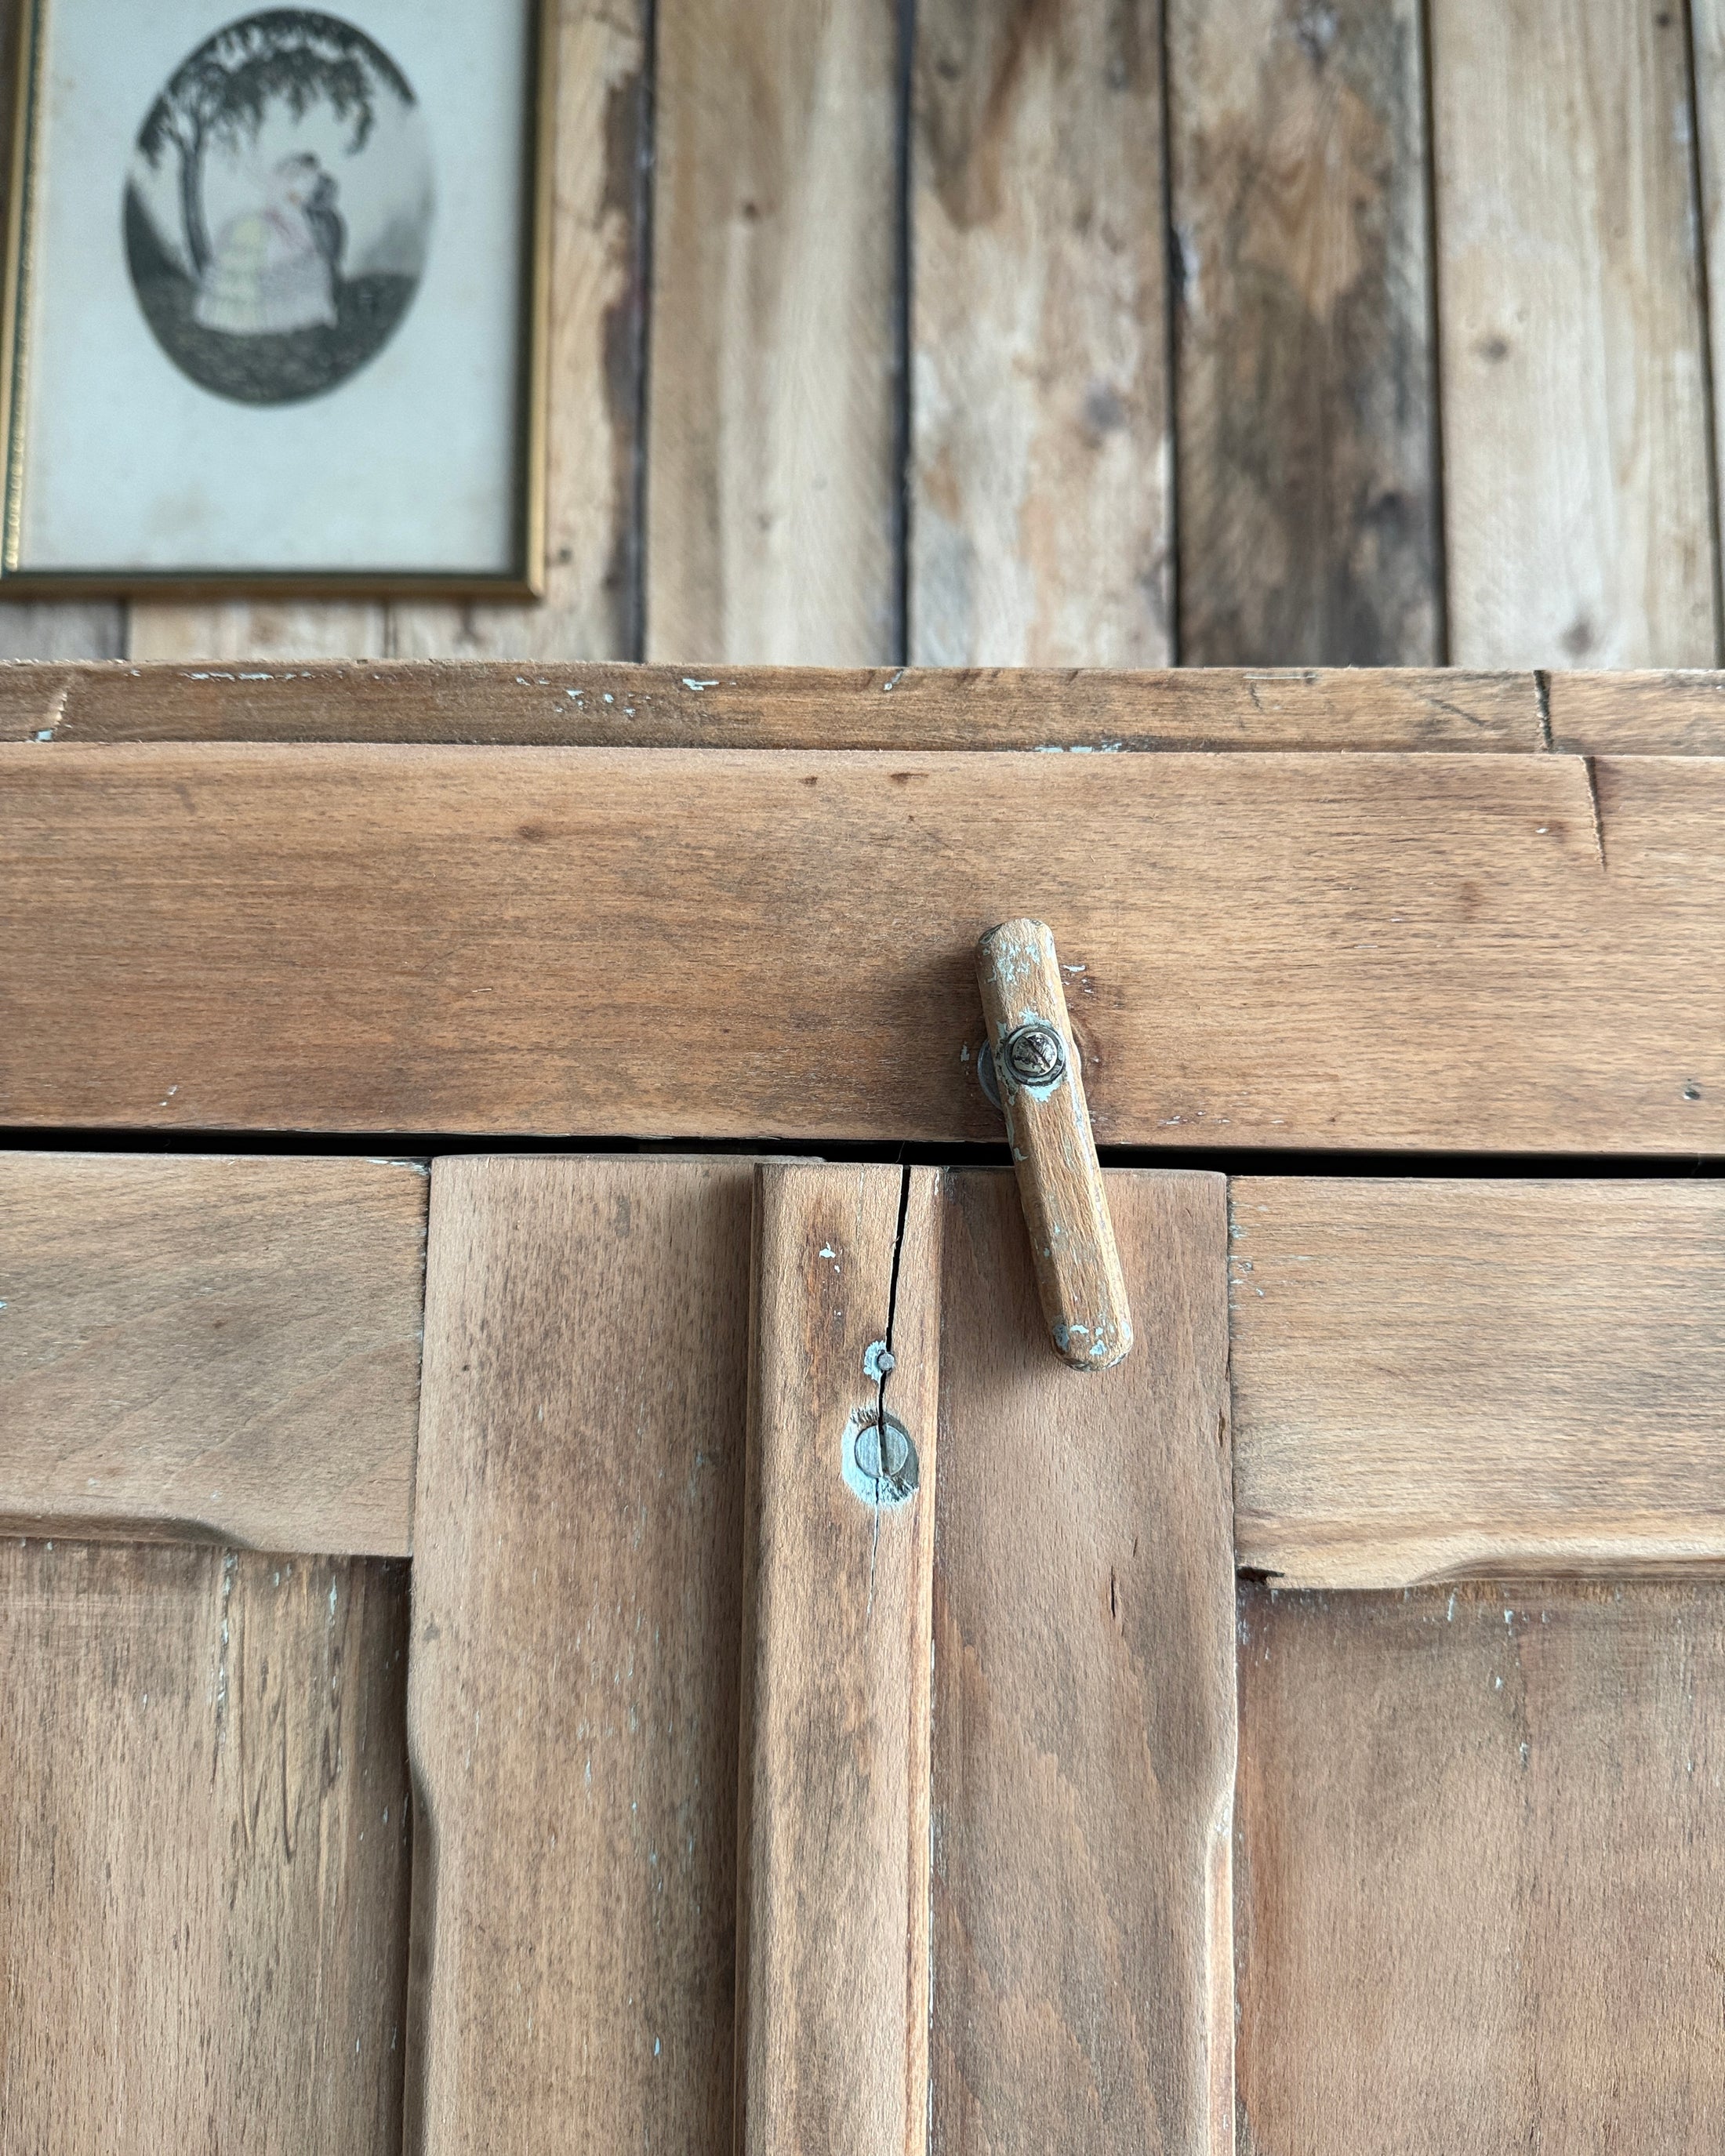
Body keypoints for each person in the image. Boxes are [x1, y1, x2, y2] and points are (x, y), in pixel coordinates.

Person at [194, 154, 338, 336]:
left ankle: (299, 312)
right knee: (251, 243)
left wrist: (295, 201)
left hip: (290, 221)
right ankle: (240, 316)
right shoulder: (282, 177)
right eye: (297, 169)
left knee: (300, 256)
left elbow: (301, 199)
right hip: (276, 219)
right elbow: (277, 196)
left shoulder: (309, 179)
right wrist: (286, 202)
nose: (300, 172)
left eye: (304, 169)